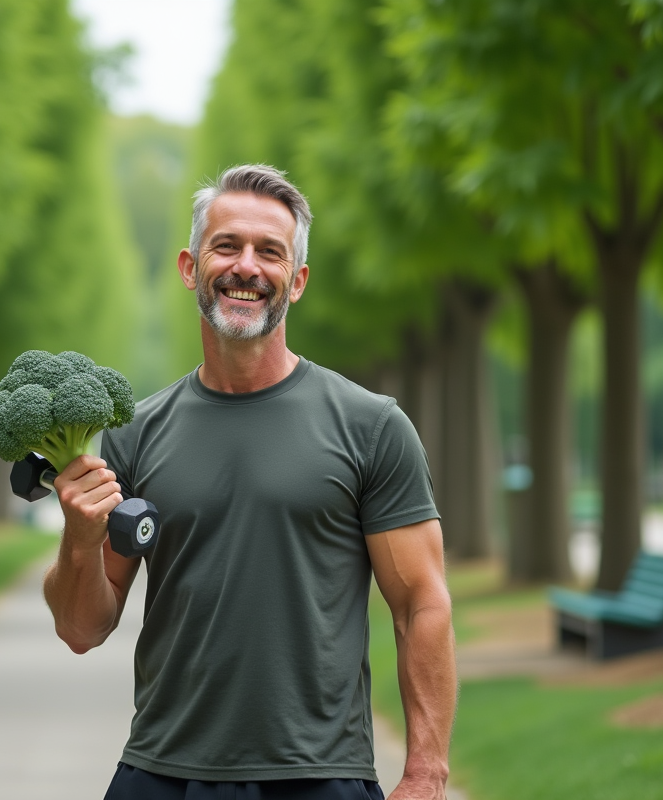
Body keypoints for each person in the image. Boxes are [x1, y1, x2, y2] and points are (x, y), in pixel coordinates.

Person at [43, 164, 456, 800]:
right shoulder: (134, 434)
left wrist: (427, 774)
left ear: (297, 282)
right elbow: (81, 629)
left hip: (320, 777)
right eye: (227, 245)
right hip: (162, 772)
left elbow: (421, 604)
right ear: (189, 267)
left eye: (271, 252)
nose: (247, 267)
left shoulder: (372, 427)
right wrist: (77, 538)